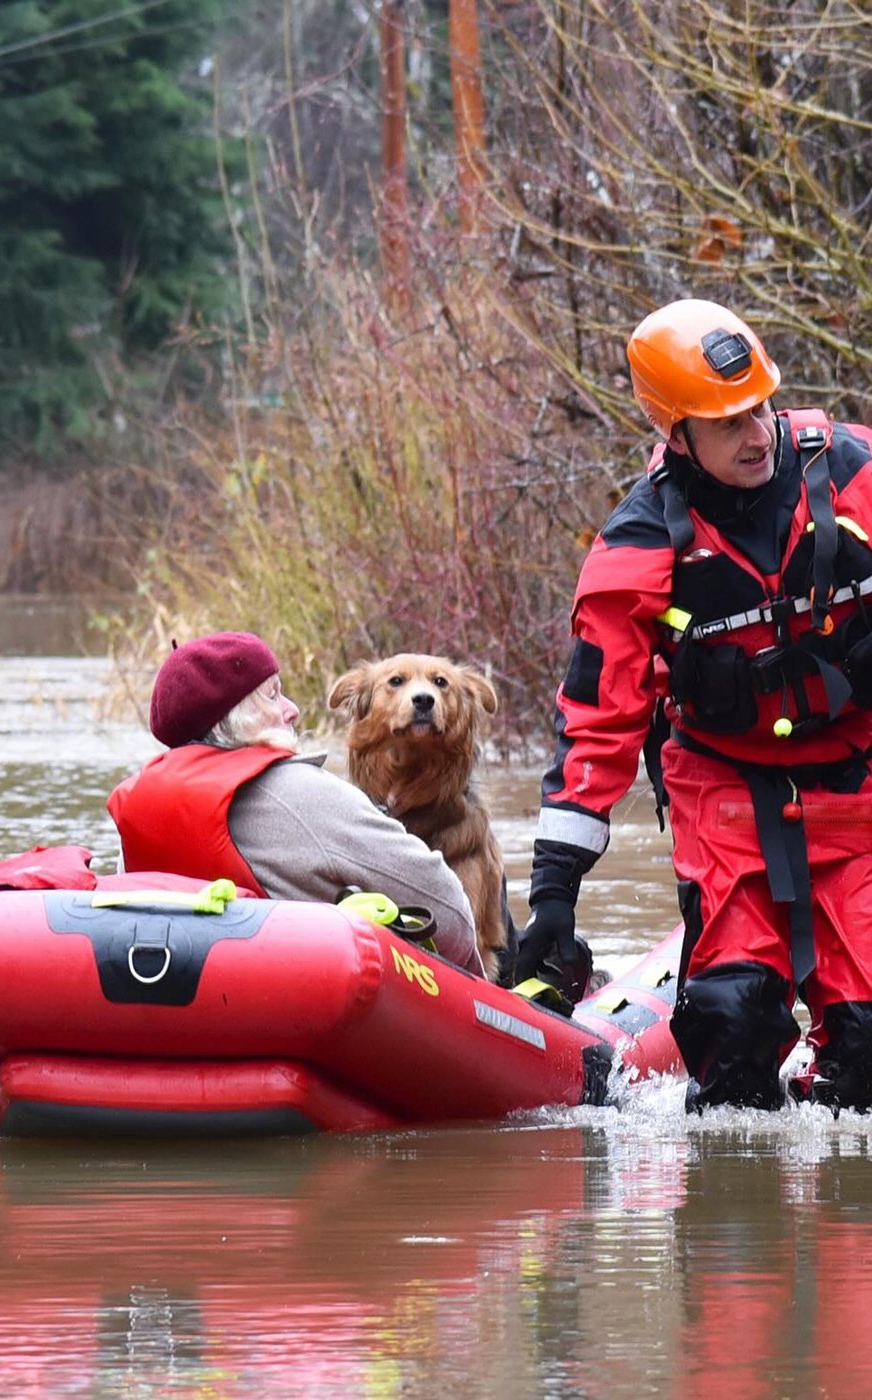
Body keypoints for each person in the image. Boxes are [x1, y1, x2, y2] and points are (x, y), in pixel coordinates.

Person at [518, 297, 872, 1111]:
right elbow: (596, 728)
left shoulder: (852, 474)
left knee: (869, 1051)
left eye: (761, 409)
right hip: (725, 800)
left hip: (855, 784)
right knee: (734, 1038)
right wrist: (553, 899)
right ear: (676, 436)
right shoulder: (639, 547)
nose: (758, 435)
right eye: (728, 424)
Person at [106, 631, 484, 976]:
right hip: (285, 1002)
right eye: (273, 695)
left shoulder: (138, 803)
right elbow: (451, 915)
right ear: (234, 717)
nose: (292, 709)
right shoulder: (305, 794)